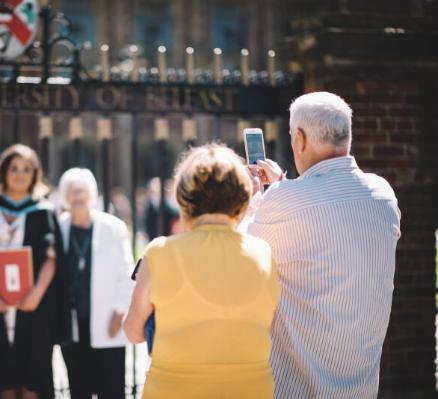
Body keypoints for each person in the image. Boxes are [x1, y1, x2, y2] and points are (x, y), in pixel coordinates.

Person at [248, 91, 401, 398]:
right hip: (362, 389)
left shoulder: (282, 202)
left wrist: (257, 197)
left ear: (300, 139)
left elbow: (242, 256)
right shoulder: (383, 194)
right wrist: (282, 188)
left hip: (298, 390)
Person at [124, 143, 280, 398]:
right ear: (242, 194)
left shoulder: (161, 252)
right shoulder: (262, 253)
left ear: (184, 196)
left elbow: (133, 332)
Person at [0, 144, 65, 399]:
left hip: (33, 308)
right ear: (4, 172)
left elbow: (53, 257)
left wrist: (37, 294)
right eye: (15, 168)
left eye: (27, 169)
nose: (20, 174)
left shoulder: (43, 212)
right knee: (1, 385)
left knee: (33, 385)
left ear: (35, 174)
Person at [57, 168, 134, 399]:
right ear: (65, 196)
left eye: (82, 191)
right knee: (78, 387)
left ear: (91, 194)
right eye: (72, 192)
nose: (78, 197)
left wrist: (119, 312)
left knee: (110, 388)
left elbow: (126, 271)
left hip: (107, 321)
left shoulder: (113, 227)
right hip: (72, 324)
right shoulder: (59, 226)